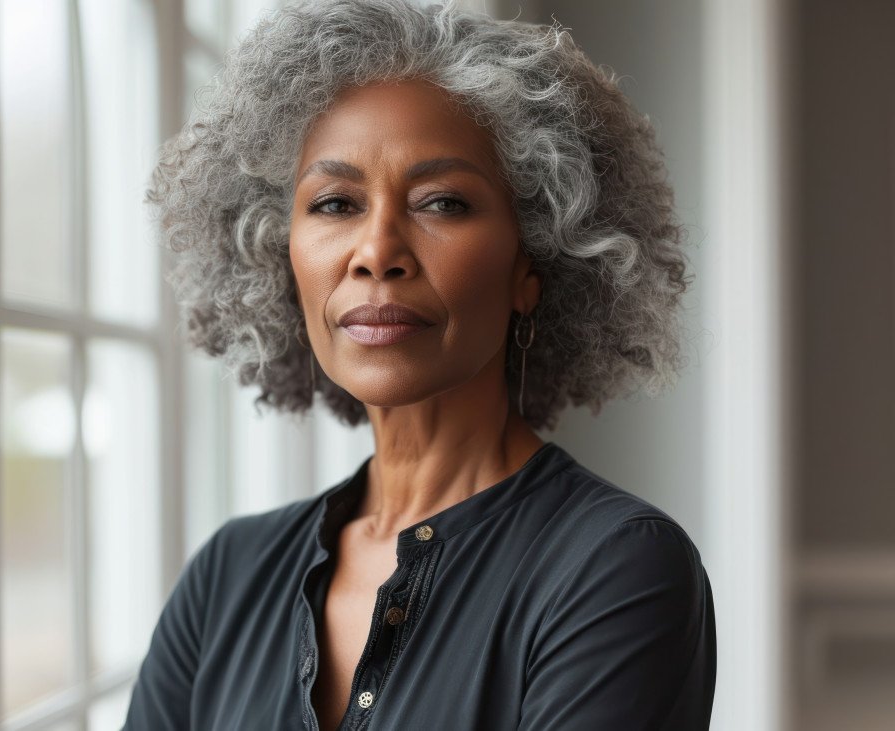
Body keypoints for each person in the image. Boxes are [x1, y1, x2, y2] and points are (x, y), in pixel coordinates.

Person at [125, 0, 715, 728]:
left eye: (442, 202)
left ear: (535, 260)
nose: (377, 251)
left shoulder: (617, 569)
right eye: (336, 203)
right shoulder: (226, 578)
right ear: (279, 254)